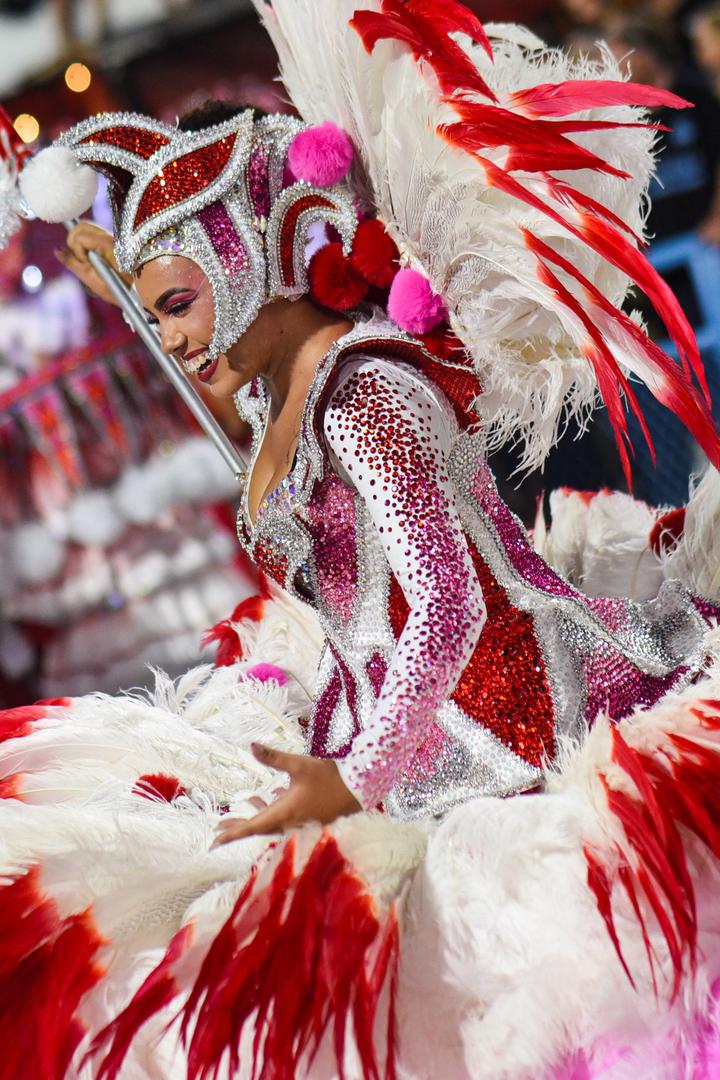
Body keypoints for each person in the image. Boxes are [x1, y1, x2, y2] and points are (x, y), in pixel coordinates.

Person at [3, 4, 720, 1077]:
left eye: (183, 303)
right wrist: (119, 272)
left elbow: (448, 606)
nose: (174, 338)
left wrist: (354, 783)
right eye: (157, 316)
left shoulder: (367, 394)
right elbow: (228, 410)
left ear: (247, 258)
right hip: (377, 716)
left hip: (499, 724)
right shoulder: (274, 393)